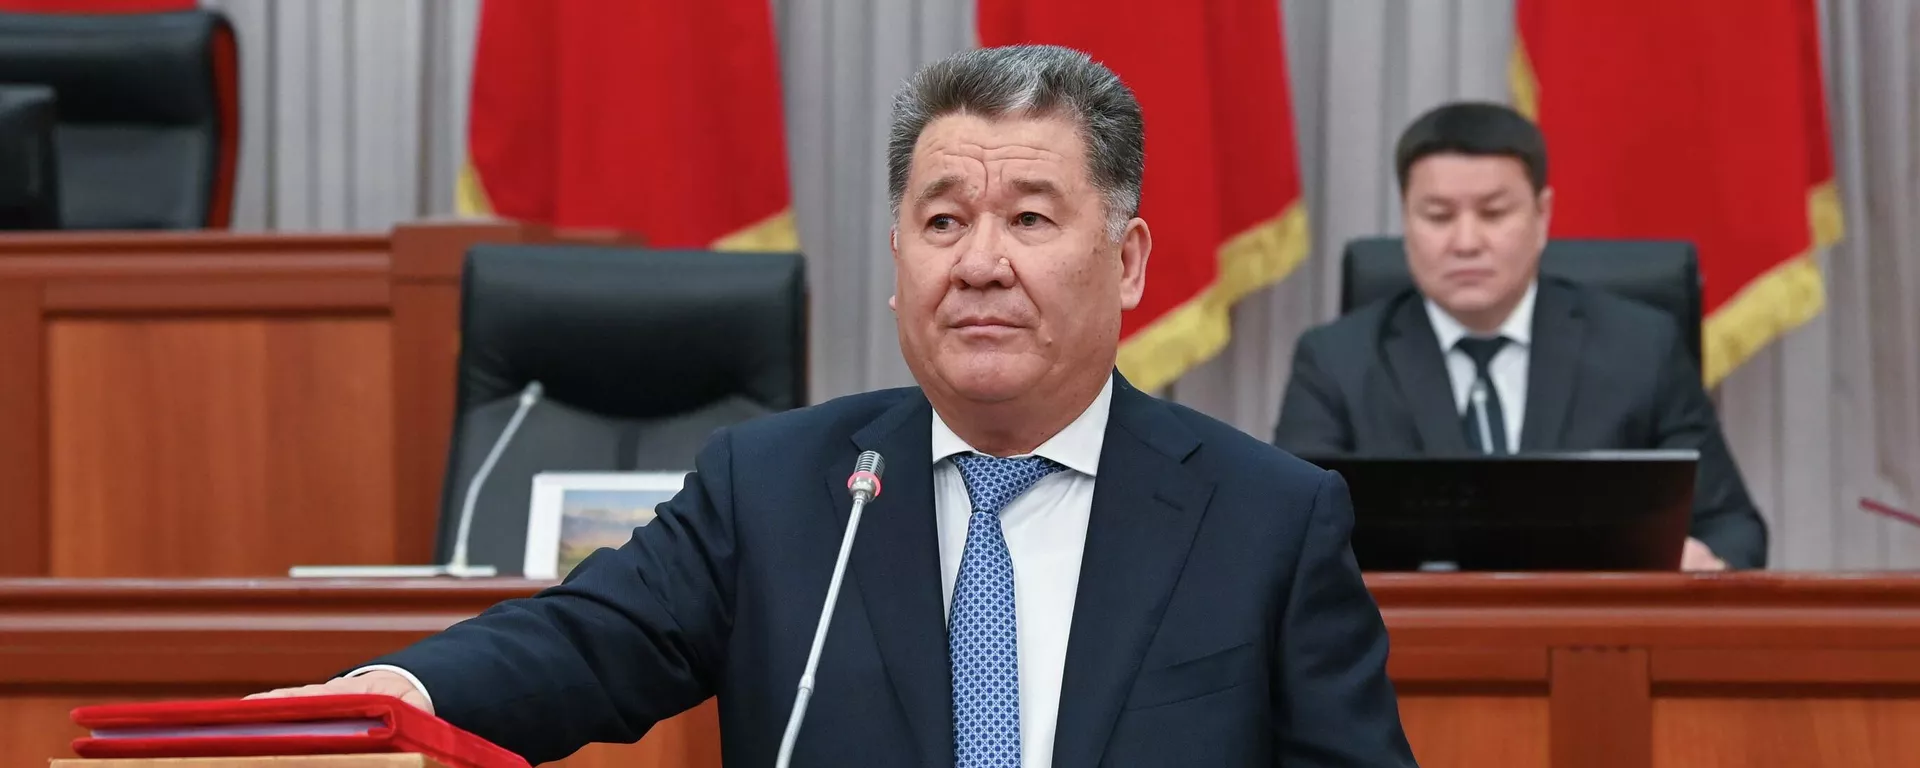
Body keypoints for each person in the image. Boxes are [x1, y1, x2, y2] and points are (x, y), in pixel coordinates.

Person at [250, 45, 1416, 767]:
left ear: (1129, 262)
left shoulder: (1268, 518)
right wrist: (382, 702)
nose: (981, 263)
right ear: (898, 260)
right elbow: (579, 644)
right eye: (944, 220)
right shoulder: (776, 490)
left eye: (1030, 219)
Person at [1273, 101, 1768, 571]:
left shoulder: (1641, 348)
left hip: (1592, 626)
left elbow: (1732, 527)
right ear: (1406, 219)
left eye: (1493, 213)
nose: (1466, 242)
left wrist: (1704, 559)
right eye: (1438, 216)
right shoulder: (1336, 362)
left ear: (1542, 215)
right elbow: (1288, 532)